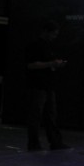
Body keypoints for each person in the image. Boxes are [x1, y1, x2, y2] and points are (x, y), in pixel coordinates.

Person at [24, 20, 69, 151]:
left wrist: (56, 64)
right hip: (37, 86)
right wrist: (51, 64)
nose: (54, 36)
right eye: (53, 34)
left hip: (48, 85)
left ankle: (55, 142)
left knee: (51, 115)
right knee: (36, 116)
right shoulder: (34, 46)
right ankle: (34, 144)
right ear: (45, 31)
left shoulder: (48, 46)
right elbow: (31, 65)